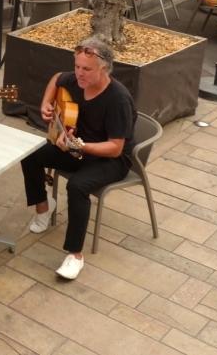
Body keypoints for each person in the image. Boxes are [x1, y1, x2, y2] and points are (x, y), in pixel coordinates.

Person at [19, 37, 135, 280]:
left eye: (86, 69)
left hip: (110, 160)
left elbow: (115, 148)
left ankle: (75, 255)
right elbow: (56, 79)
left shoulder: (118, 99)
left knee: (77, 186)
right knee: (29, 154)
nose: (79, 74)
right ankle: (44, 207)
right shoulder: (75, 79)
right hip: (78, 147)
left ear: (104, 68)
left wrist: (80, 146)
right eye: (77, 67)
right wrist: (46, 104)